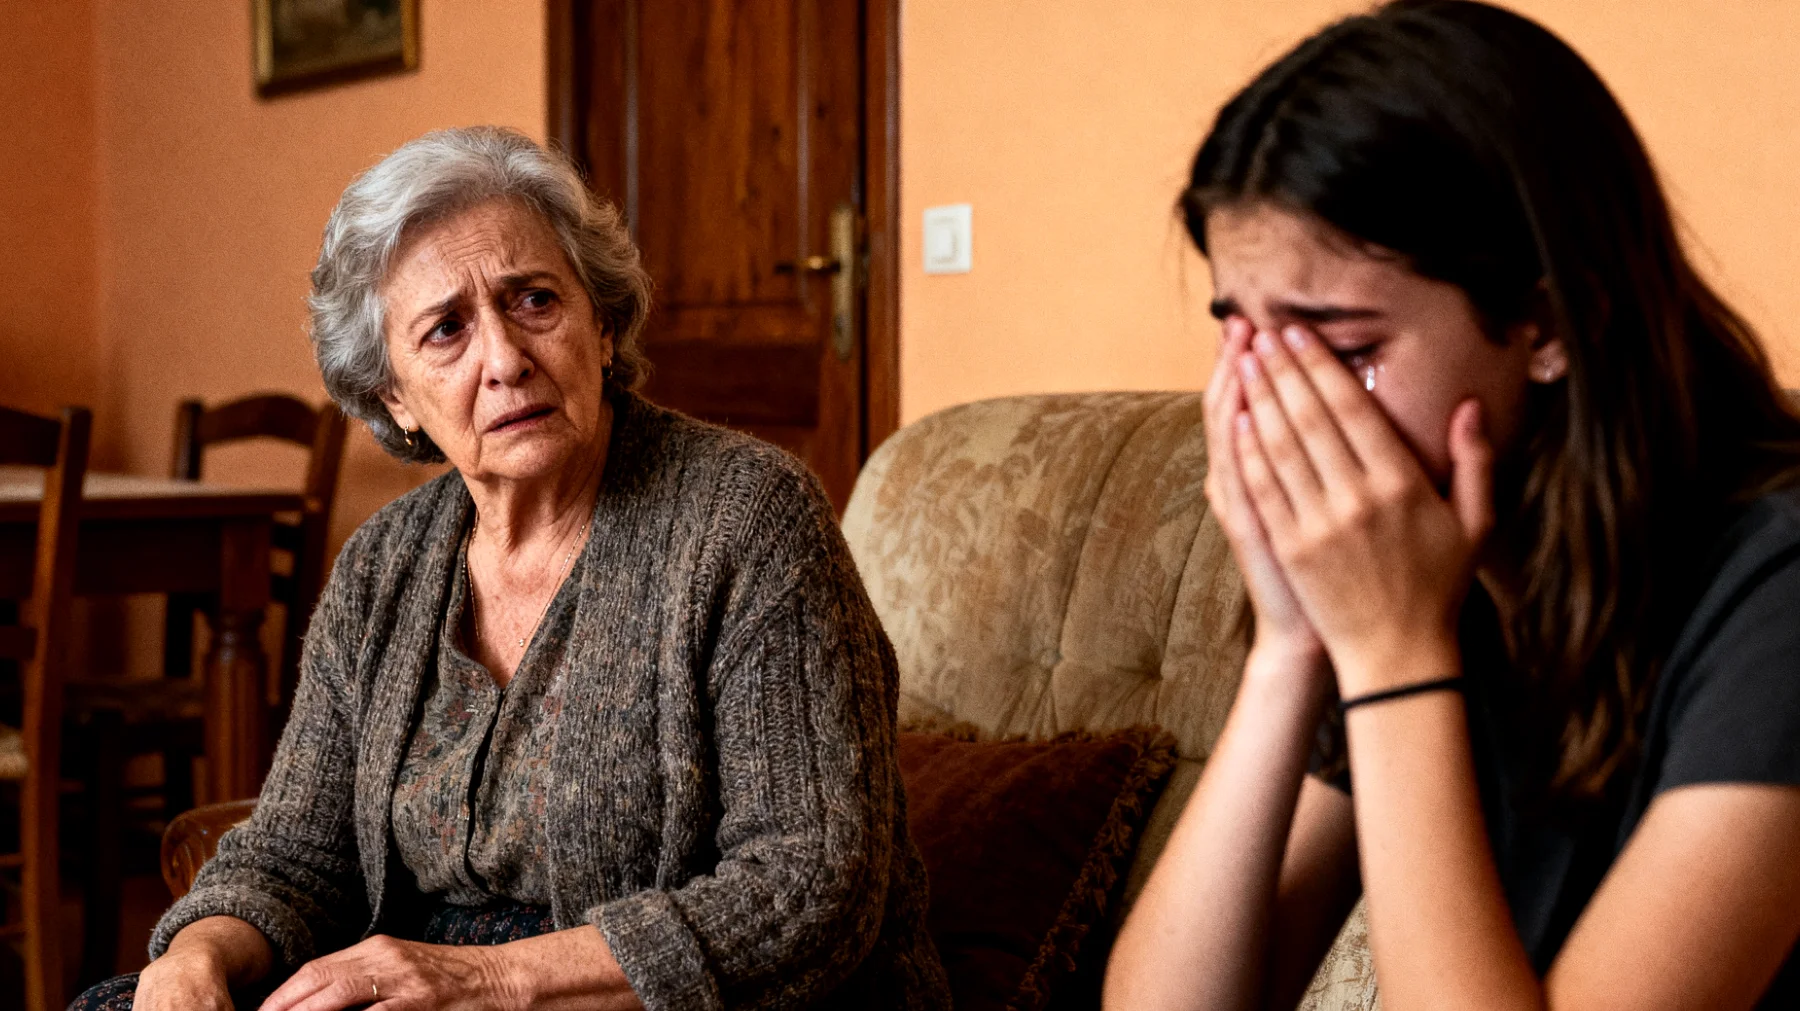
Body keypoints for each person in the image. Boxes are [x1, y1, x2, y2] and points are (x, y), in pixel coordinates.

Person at [71, 126, 950, 1011]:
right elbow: (298, 850)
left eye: (533, 300)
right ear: (395, 397)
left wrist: (489, 979)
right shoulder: (383, 566)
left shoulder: (747, 517)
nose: (504, 359)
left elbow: (811, 885)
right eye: (446, 330)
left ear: (602, 325)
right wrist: (193, 955)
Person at [1106, 3, 1800, 1008]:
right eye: (1247, 343)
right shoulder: (1439, 576)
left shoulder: (1775, 588)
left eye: (1345, 353)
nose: (1279, 411)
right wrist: (1291, 646)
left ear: (1553, 324)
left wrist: (1397, 660)